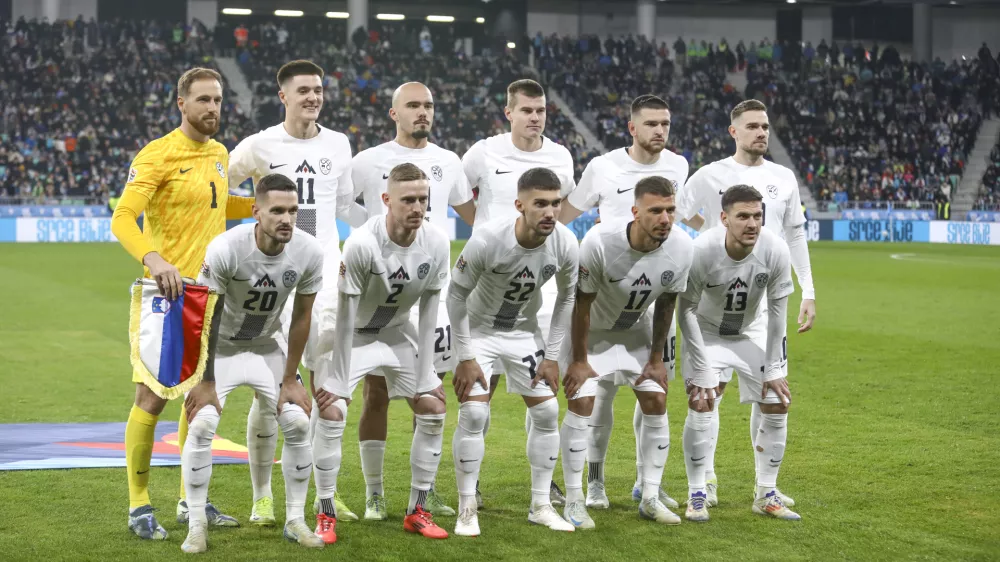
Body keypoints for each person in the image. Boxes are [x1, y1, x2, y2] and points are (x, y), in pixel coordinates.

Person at [111, 67, 251, 540]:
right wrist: (155, 258)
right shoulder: (158, 154)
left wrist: (258, 207)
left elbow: (215, 203)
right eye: (204, 100)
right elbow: (123, 217)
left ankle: (191, 499)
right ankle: (137, 507)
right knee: (151, 397)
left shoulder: (219, 153)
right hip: (169, 295)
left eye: (218, 100)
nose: (213, 108)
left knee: (200, 399)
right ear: (182, 104)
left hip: (210, 295)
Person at [227, 59, 366, 524]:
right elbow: (219, 186)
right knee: (271, 390)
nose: (313, 97)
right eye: (303, 90)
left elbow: (345, 204)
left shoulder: (339, 144)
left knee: (329, 390)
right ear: (282, 96)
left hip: (326, 277)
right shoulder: (260, 144)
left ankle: (327, 493)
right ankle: (262, 495)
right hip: (274, 279)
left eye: (319, 89)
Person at [675, 99, 816, 509]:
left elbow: (795, 236)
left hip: (762, 300)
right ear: (733, 131)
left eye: (766, 126)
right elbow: (677, 216)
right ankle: (704, 482)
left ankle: (765, 489)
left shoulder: (783, 178)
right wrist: (716, 238)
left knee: (774, 392)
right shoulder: (711, 175)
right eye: (753, 126)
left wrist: (807, 289)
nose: (761, 133)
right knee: (707, 394)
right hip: (714, 302)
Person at [350, 81, 476, 519]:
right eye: (413, 106)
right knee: (377, 392)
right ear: (393, 113)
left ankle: (427, 490)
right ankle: (375, 492)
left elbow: (470, 213)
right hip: (378, 288)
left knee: (432, 390)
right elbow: (344, 208)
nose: (423, 112)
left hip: (428, 293)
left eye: (429, 105)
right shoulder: (367, 162)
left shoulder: (448, 161)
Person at [181, 174, 326, 553]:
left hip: (265, 346)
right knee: (202, 425)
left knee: (296, 422)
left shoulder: (308, 251)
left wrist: (292, 377)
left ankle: (295, 520)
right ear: (255, 211)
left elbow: (300, 318)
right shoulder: (227, 248)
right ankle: (196, 525)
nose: (287, 219)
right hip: (222, 349)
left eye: (293, 211)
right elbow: (206, 315)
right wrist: (205, 380)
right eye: (277, 210)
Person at [559, 94, 689, 510]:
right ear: (632, 127)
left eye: (665, 124)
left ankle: (645, 483)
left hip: (647, 293)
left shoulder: (679, 166)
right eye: (651, 124)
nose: (660, 131)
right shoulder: (603, 167)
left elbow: (676, 221)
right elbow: (569, 212)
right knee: (600, 396)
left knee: (653, 388)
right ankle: (591, 483)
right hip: (602, 282)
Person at [311, 163, 452, 544]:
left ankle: (417, 510)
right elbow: (343, 317)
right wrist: (337, 380)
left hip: (394, 331)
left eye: (423, 199)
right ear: (386, 200)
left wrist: (427, 376)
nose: (417, 207)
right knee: (332, 410)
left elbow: (428, 314)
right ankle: (325, 513)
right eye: (408, 199)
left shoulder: (436, 243)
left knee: (433, 407)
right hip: (349, 332)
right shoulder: (361, 243)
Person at [461, 78, 576, 507]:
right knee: (479, 390)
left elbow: (561, 210)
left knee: (543, 390)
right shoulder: (483, 151)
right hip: (487, 285)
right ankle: (469, 482)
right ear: (508, 112)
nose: (534, 117)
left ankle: (546, 483)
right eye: (526, 110)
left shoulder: (560, 156)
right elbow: (458, 196)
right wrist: (486, 233)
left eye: (541, 110)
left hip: (538, 290)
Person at [447, 167, 578, 537]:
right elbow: (455, 296)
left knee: (549, 411)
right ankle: (466, 508)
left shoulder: (565, 243)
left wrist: (552, 356)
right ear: (520, 205)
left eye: (555, 203)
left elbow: (568, 296)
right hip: (480, 332)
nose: (550, 212)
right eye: (541, 204)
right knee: (473, 413)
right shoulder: (488, 240)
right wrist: (466, 355)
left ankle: (541, 505)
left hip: (522, 333)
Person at [677, 184, 800, 522]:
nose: (751, 224)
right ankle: (698, 492)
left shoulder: (775, 249)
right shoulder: (701, 250)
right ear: (724, 219)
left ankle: (766, 493)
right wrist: (701, 366)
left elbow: (778, 312)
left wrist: (774, 367)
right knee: (702, 400)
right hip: (706, 332)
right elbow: (685, 310)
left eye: (757, 216)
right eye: (742, 216)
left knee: (778, 400)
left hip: (750, 331)